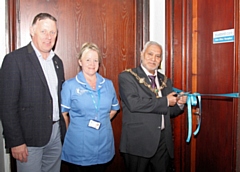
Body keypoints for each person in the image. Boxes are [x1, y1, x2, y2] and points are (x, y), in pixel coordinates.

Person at [0, 13, 66, 172]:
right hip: (28, 139)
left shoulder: (57, 62)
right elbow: (7, 105)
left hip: (55, 135)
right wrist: (15, 141)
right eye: (44, 31)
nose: (48, 37)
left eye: (53, 32)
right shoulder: (14, 60)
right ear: (32, 31)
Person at [118, 41, 187, 172]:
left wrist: (179, 104)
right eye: (150, 54)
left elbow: (167, 111)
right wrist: (166, 101)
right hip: (138, 142)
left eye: (158, 56)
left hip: (162, 142)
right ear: (142, 54)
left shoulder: (165, 80)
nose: (153, 59)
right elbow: (134, 104)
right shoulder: (127, 77)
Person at [61, 42, 120, 172]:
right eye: (88, 60)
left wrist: (102, 120)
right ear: (80, 61)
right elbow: (63, 114)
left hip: (103, 143)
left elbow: (115, 108)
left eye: (95, 60)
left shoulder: (108, 85)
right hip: (78, 145)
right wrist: (69, 133)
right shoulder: (70, 85)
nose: (92, 64)